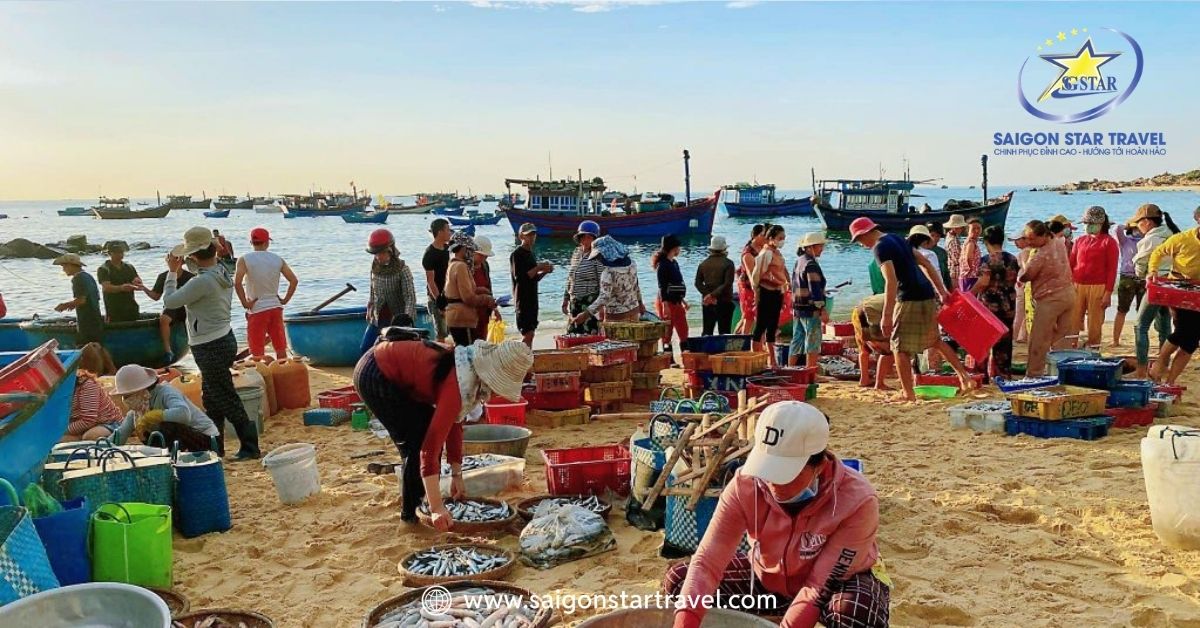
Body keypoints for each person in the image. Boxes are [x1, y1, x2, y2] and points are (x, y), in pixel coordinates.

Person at [665, 402, 890, 628]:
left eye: (786, 473)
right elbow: (707, 562)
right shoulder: (746, 484)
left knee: (853, 612)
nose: (773, 483)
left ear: (820, 466)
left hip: (835, 587)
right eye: (767, 468)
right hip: (771, 578)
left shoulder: (857, 501)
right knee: (681, 581)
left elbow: (818, 588)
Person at [353, 336, 532, 526]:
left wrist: (457, 475)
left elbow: (454, 423)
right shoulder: (458, 384)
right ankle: (410, 517)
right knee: (416, 443)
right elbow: (429, 449)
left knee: (425, 433)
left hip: (391, 371)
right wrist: (437, 507)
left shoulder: (467, 369)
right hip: (375, 374)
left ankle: (421, 502)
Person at [162, 226, 260, 461]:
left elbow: (170, 301)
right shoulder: (222, 270)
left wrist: (172, 273)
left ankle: (250, 446)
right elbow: (201, 271)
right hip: (223, 337)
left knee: (224, 396)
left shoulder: (202, 281)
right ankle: (215, 445)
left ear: (193, 255)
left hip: (209, 344)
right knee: (212, 398)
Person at [851, 217, 974, 400]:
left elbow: (891, 281)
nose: (862, 245)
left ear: (865, 233)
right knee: (935, 341)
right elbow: (926, 264)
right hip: (926, 294)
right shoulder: (897, 238)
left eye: (859, 240)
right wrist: (941, 291)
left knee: (898, 347)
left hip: (908, 297)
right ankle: (965, 378)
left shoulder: (879, 248)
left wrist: (886, 315)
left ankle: (908, 393)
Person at [109, 364, 220, 452]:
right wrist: (101, 446)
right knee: (147, 433)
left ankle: (173, 458)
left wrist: (154, 416)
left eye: (128, 395)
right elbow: (119, 436)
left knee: (167, 425)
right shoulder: (137, 412)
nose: (125, 400)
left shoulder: (166, 392)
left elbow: (184, 414)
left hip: (207, 439)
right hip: (181, 444)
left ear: (141, 389)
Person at [1148, 207, 1200, 385]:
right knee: (1182, 332)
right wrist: (1153, 271)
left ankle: (1169, 382)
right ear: (1198, 220)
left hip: (1199, 291)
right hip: (1179, 289)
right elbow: (1158, 252)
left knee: (1191, 342)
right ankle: (1158, 365)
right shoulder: (1182, 238)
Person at [1018, 220, 1077, 376]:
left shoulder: (1041, 254)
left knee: (1038, 339)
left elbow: (1026, 276)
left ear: (1043, 236)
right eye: (1027, 238)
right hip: (1069, 293)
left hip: (1050, 299)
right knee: (1061, 335)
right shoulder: (1059, 242)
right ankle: (1058, 370)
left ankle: (1034, 374)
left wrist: (1024, 260)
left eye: (1032, 239)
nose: (1029, 242)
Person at [235, 227, 298, 361]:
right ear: (267, 242)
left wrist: (245, 303)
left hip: (257, 309)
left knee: (257, 350)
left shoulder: (244, 259)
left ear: (251, 242)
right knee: (280, 347)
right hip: (275, 307)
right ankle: (282, 369)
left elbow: (237, 283)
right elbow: (293, 281)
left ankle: (261, 371)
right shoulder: (277, 259)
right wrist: (285, 300)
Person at [1131, 204, 1176, 378]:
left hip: (1157, 284)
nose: (1137, 227)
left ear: (1147, 222)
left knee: (1140, 326)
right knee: (1164, 325)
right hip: (1172, 283)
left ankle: (1141, 369)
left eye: (1139, 223)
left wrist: (1141, 274)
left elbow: (1140, 265)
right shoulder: (1171, 233)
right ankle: (1164, 365)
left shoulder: (1151, 239)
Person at [972, 226, 1020, 377]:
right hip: (1009, 304)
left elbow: (984, 282)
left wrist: (970, 294)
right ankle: (1003, 374)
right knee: (1004, 342)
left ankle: (982, 376)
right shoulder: (1012, 259)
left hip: (989, 305)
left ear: (986, 242)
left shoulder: (986, 260)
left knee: (983, 341)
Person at [1069, 206, 1119, 349]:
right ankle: (1071, 345)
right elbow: (1071, 264)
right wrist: (1068, 284)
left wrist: (1108, 293)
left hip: (1098, 286)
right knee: (1073, 318)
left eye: (1090, 223)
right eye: (1085, 223)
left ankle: (1093, 347)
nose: (1087, 226)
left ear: (1100, 224)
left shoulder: (1109, 242)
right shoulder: (1079, 240)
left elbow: (1112, 269)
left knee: (1095, 321)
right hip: (1077, 284)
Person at [363, 228, 417, 353]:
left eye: (381, 253)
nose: (378, 257)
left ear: (390, 251)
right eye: (375, 254)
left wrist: (406, 321)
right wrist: (369, 308)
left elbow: (410, 297)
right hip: (378, 317)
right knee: (366, 348)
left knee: (396, 352)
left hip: (398, 319)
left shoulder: (403, 269)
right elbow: (372, 291)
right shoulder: (374, 268)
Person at [574, 235, 644, 325]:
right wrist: (641, 303)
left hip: (616, 317)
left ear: (606, 252)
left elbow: (604, 298)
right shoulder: (632, 264)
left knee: (615, 335)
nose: (598, 260)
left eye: (599, 256)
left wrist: (585, 315)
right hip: (634, 311)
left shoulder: (608, 273)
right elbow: (636, 286)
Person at [61, 343, 122, 441]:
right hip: (83, 424)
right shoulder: (64, 387)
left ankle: (81, 439)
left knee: (90, 436)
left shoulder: (87, 384)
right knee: (56, 440)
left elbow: (88, 420)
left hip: (107, 422)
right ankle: (79, 439)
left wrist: (62, 431)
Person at [141, 253, 194, 364]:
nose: (174, 261)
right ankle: (168, 351)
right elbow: (156, 296)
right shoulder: (163, 276)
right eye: (171, 259)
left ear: (182, 261)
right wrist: (143, 288)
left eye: (177, 259)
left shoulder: (190, 277)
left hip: (187, 306)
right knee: (164, 319)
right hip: (171, 307)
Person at [445, 239, 497, 346]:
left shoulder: (454, 264)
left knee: (467, 349)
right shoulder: (461, 266)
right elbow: (468, 297)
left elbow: (462, 290)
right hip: (463, 319)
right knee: (469, 351)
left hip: (461, 317)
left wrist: (481, 291)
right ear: (464, 249)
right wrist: (486, 299)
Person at [789, 232, 829, 369]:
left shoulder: (799, 261)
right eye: (820, 246)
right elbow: (815, 289)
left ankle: (791, 369)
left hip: (797, 307)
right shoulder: (811, 264)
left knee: (797, 339)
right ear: (810, 247)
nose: (822, 249)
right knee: (812, 340)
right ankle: (810, 371)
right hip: (810, 309)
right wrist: (822, 309)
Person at [510, 223, 554, 347]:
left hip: (532, 299)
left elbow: (534, 278)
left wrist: (544, 272)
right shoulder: (517, 254)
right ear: (521, 236)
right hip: (522, 300)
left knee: (531, 333)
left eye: (533, 235)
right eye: (528, 235)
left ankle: (526, 356)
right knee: (528, 334)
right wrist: (538, 267)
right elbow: (520, 278)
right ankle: (519, 355)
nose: (531, 238)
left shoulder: (531, 254)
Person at [751, 225, 788, 369]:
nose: (782, 241)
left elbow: (781, 272)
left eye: (783, 238)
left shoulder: (777, 253)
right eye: (780, 238)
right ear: (771, 238)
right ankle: (756, 358)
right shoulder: (766, 253)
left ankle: (772, 361)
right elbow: (757, 274)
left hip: (777, 291)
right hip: (766, 291)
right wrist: (756, 291)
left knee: (772, 326)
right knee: (761, 325)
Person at [53, 253, 104, 344]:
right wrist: (73, 305)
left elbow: (81, 300)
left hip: (87, 321)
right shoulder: (88, 276)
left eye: (64, 266)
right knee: (97, 345)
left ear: (71, 265)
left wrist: (64, 305)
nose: (63, 269)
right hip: (96, 318)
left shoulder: (77, 279)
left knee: (86, 346)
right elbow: (90, 298)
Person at [562, 221, 603, 335]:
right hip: (574, 302)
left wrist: (601, 307)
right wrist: (565, 299)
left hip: (589, 302)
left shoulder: (598, 255)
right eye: (583, 236)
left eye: (589, 237)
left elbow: (602, 282)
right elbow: (570, 278)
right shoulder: (576, 252)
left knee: (589, 336)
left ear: (594, 239)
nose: (586, 239)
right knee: (572, 334)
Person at [653, 235, 688, 354]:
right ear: (673, 248)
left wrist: (683, 301)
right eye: (678, 247)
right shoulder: (663, 265)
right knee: (667, 332)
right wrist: (665, 305)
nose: (679, 250)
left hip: (677, 300)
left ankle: (685, 354)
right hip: (666, 301)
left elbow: (678, 283)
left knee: (683, 330)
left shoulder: (674, 263)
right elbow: (662, 286)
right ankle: (669, 358)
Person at [695, 235, 736, 336]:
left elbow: (698, 283)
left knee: (707, 331)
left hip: (708, 302)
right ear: (724, 249)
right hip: (724, 301)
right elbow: (727, 284)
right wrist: (713, 295)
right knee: (724, 332)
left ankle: (706, 346)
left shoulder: (703, 264)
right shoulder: (728, 264)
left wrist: (708, 295)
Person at [1112, 220, 1144, 347]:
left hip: (1143, 278)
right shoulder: (1125, 241)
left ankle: (1140, 340)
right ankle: (1115, 340)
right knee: (1122, 310)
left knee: (1141, 312)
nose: (1139, 230)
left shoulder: (1147, 240)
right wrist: (1128, 225)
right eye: (1136, 228)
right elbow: (1116, 229)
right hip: (1127, 277)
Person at [852, 294, 894, 391]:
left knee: (864, 348)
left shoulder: (895, 294)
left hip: (857, 310)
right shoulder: (906, 302)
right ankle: (879, 384)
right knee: (888, 350)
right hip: (870, 313)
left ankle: (864, 380)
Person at [422, 218, 453, 343]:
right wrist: (439, 301)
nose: (450, 232)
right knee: (441, 334)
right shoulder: (429, 254)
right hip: (436, 297)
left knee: (452, 331)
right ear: (440, 232)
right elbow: (430, 281)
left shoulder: (447, 248)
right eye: (448, 230)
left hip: (448, 295)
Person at [734, 224, 768, 335]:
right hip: (749, 286)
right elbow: (752, 275)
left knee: (751, 317)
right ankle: (744, 341)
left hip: (761, 285)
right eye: (763, 235)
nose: (766, 238)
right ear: (756, 236)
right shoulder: (748, 253)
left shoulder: (763, 248)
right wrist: (757, 291)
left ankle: (738, 337)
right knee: (748, 317)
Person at [97, 240, 142, 323]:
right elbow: (106, 287)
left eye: (121, 252)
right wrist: (121, 288)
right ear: (110, 253)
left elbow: (138, 282)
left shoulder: (129, 267)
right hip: (114, 308)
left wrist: (137, 282)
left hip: (131, 306)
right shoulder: (104, 269)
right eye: (116, 253)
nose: (120, 255)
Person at [470, 236, 499, 343]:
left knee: (482, 343)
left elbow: (489, 286)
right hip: (470, 315)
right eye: (482, 256)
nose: (484, 259)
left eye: (486, 256)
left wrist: (494, 308)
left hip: (484, 313)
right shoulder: (464, 267)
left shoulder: (485, 266)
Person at [925, 222, 954, 290]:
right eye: (932, 235)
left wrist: (950, 288)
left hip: (942, 286)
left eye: (937, 236)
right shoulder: (921, 251)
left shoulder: (942, 252)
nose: (934, 238)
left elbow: (946, 273)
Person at [942, 214, 967, 290]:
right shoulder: (953, 241)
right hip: (955, 272)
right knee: (957, 291)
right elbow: (957, 259)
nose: (962, 229)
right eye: (961, 227)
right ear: (955, 228)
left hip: (951, 270)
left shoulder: (948, 236)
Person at [959, 217, 984, 291]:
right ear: (968, 230)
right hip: (969, 277)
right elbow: (968, 257)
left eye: (978, 228)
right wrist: (971, 270)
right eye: (973, 229)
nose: (976, 231)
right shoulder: (971, 243)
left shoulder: (970, 241)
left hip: (968, 276)